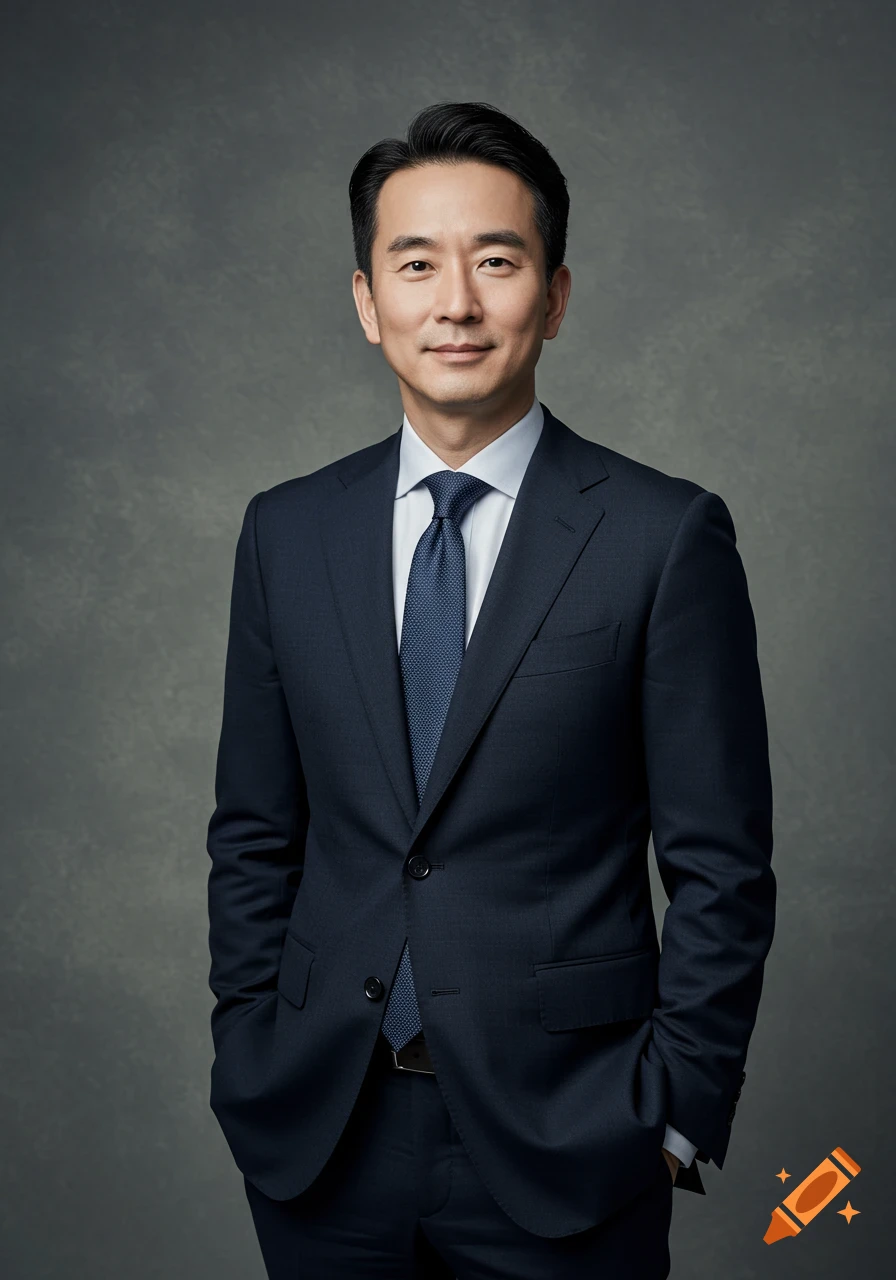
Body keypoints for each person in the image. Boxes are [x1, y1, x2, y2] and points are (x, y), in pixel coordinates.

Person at [206, 100, 776, 1279]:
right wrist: (247, 1051)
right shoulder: (285, 532)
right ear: (367, 302)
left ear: (554, 294)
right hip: (322, 1138)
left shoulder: (661, 537)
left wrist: (672, 1119)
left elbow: (719, 863)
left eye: (495, 261)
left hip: (569, 1141)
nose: (453, 302)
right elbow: (256, 834)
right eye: (414, 264)